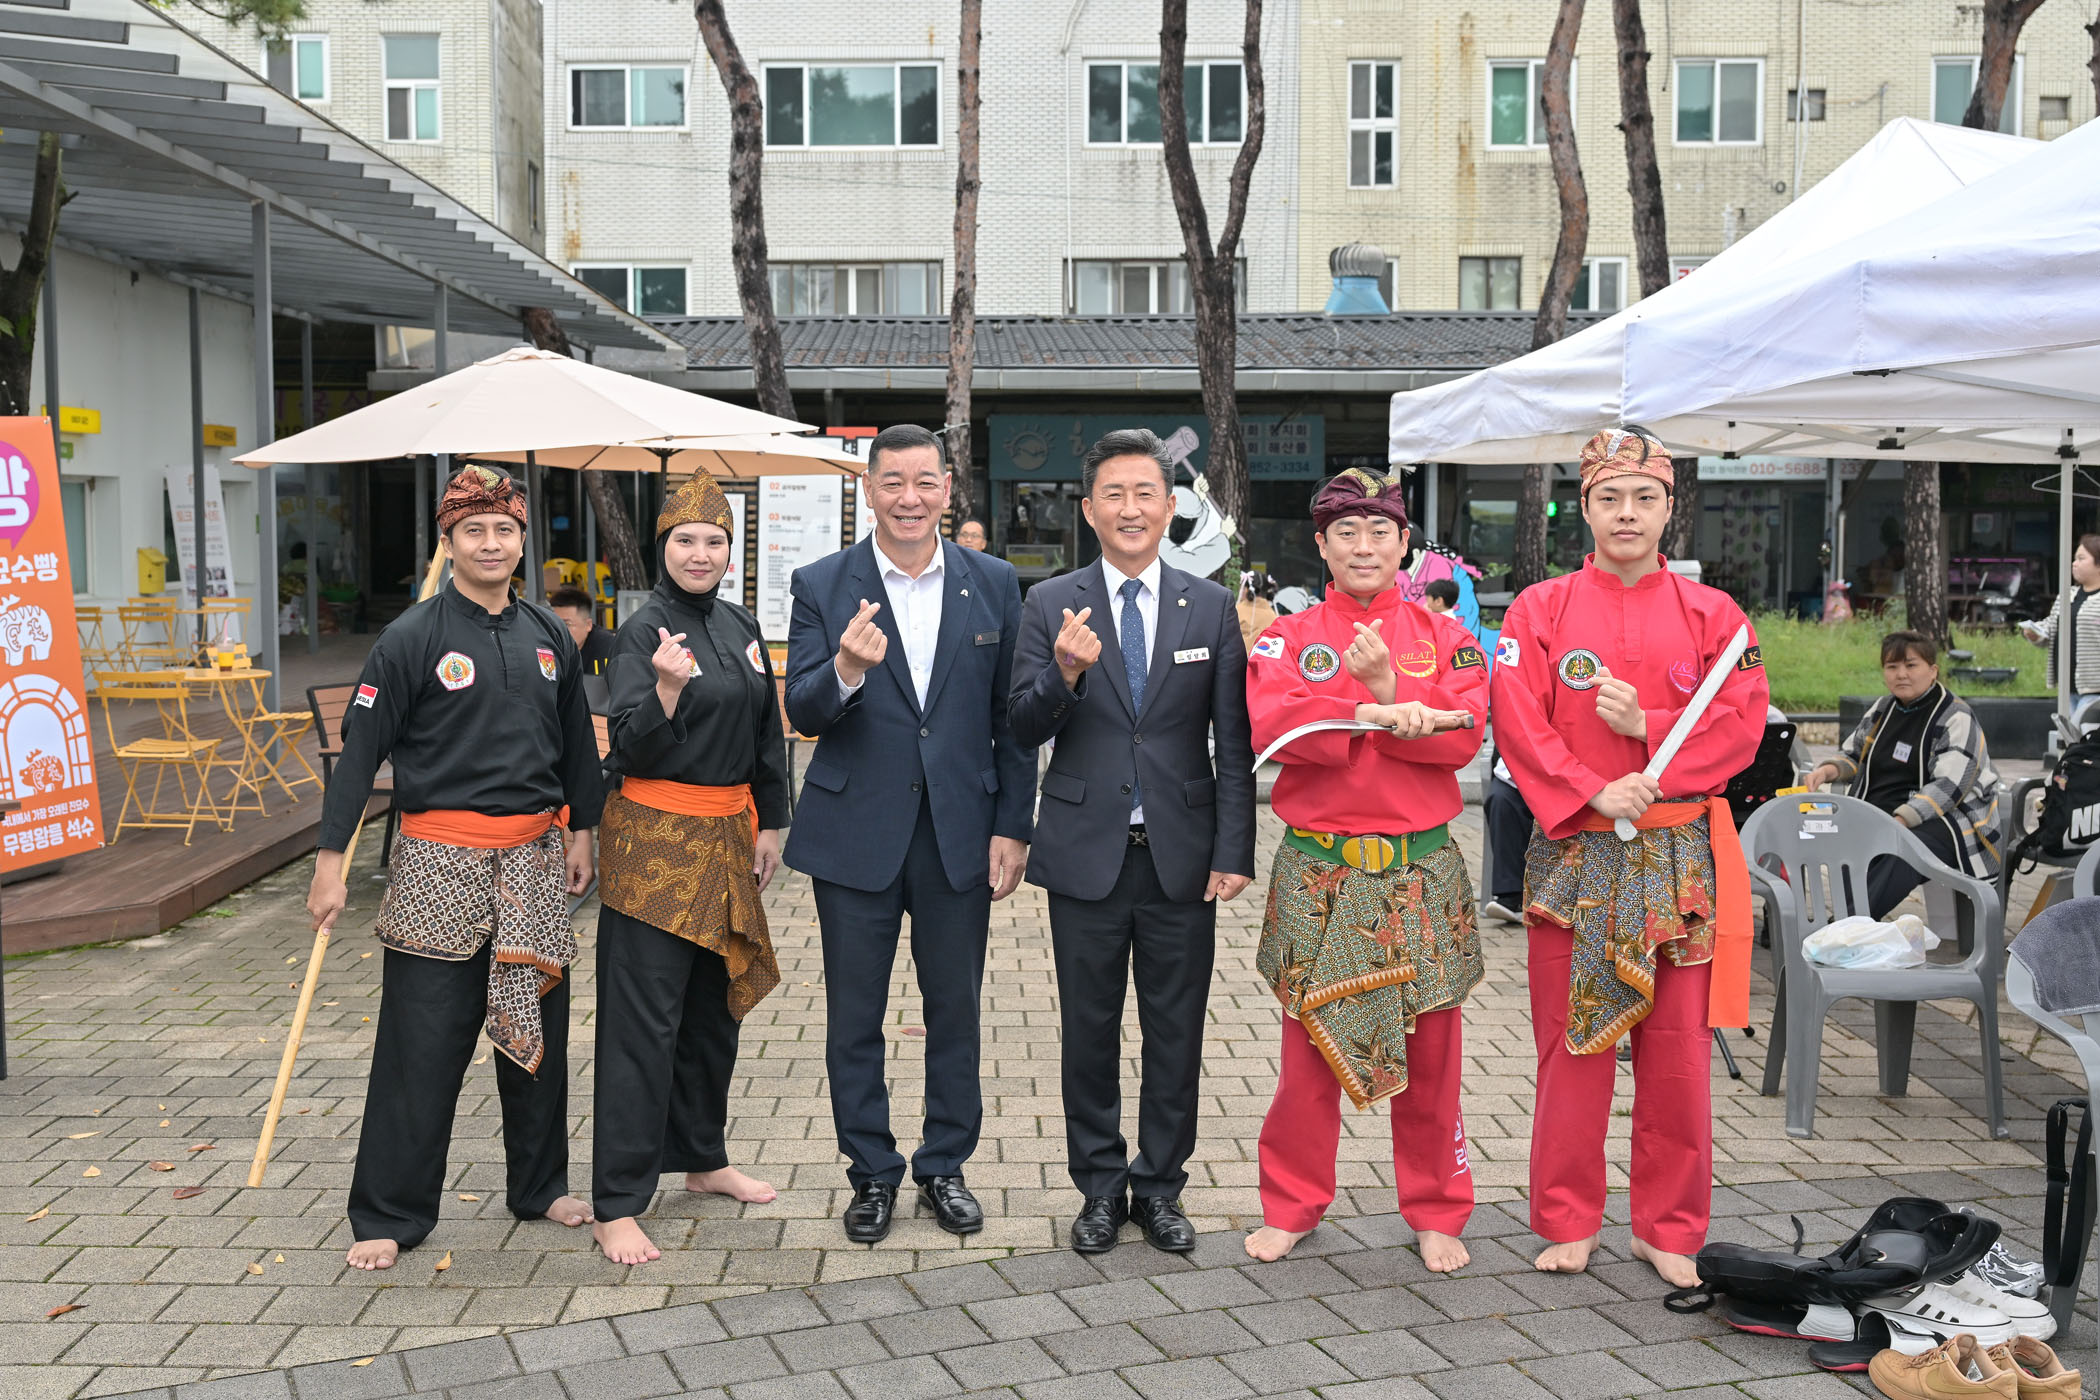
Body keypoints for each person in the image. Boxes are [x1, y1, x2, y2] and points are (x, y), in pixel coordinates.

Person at [308, 464, 603, 1272]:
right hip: (438, 861)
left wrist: (582, 830)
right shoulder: (411, 637)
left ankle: (540, 1186)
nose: (491, 543)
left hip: (535, 861)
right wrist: (330, 862)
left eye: (505, 529)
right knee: (422, 1043)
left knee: (534, 1031)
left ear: (522, 541)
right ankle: (389, 1212)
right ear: (449, 541)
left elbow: (576, 742)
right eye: (474, 530)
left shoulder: (549, 634)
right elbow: (359, 755)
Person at [1490, 426, 1766, 1290]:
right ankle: (1566, 1218)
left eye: (1645, 498)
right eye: (1609, 497)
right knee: (1570, 1047)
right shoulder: (1539, 610)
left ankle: (1668, 1226)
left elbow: (1743, 724)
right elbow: (1517, 719)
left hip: (1678, 856)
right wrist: (1592, 790)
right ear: (1584, 507)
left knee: (1677, 1053)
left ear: (1670, 508)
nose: (1627, 513)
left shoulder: (1716, 616)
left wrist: (1650, 728)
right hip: (1575, 851)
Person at [783, 423, 1035, 1244]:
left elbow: (1010, 719)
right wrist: (846, 669)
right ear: (868, 490)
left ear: (947, 489)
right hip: (855, 831)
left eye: (925, 482)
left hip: (960, 830)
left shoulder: (994, 581)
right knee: (854, 1015)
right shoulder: (824, 583)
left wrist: (1013, 826)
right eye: (892, 482)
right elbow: (802, 710)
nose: (909, 498)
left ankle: (944, 1167)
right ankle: (871, 1172)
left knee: (954, 1011)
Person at [1008, 429, 1256, 1256]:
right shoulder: (1050, 602)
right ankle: (1098, 1189)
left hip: (1182, 856)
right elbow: (1022, 725)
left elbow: (1233, 742)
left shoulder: (1209, 605)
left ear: (1170, 506)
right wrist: (1064, 675)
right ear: (1088, 510)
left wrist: (1234, 849)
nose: (1130, 508)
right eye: (1112, 494)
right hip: (1086, 853)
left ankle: (1160, 1188)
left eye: (1145, 493)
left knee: (1175, 1031)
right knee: (1089, 1030)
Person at [1242, 468, 1489, 1271]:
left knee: (1434, 1053)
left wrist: (1395, 686)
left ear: (1404, 543)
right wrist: (1370, 711)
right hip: (1322, 872)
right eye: (1345, 532)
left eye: (1380, 531)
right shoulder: (1288, 638)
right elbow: (1272, 726)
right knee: (1307, 1053)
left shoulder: (1445, 636)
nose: (1363, 546)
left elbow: (1465, 730)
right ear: (1321, 545)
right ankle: (1292, 1203)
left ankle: (1437, 1208)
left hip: (1421, 871)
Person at [590, 471, 791, 1266]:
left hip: (729, 840)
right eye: (685, 540)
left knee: (712, 1016)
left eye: (714, 541)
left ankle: (703, 1159)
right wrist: (667, 692)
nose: (700, 553)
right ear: (662, 547)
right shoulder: (641, 632)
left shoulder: (741, 625)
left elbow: (766, 731)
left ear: (730, 552)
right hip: (654, 848)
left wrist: (774, 820)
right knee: (643, 1026)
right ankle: (616, 1202)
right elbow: (626, 743)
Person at [1804, 631, 2001, 918]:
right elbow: (1854, 754)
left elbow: (1949, 787)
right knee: (1817, 834)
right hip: (1881, 814)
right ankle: (1843, 924)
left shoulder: (1956, 716)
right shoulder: (1883, 709)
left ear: (1933, 670)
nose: (1901, 674)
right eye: (1892, 666)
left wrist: (1899, 821)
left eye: (1911, 665)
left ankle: (1846, 925)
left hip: (1948, 823)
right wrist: (1828, 770)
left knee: (1900, 850)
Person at [2022, 534, 2100, 721]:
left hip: (2095, 690)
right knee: (2069, 735)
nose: (2074, 564)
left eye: (2081, 559)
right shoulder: (2067, 595)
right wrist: (2034, 633)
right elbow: (2050, 627)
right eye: (2074, 558)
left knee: (2082, 733)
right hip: (2067, 688)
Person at [549, 584, 618, 676]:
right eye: (554, 624)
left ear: (588, 625)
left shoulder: (607, 648)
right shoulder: (546, 645)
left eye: (566, 624)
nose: (558, 631)